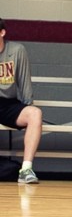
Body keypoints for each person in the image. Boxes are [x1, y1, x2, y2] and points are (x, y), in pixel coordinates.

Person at [0, 17, 43, 184]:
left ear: (2, 32)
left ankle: (26, 169)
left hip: (8, 104)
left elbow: (24, 82)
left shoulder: (17, 50)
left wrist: (27, 103)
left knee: (35, 114)